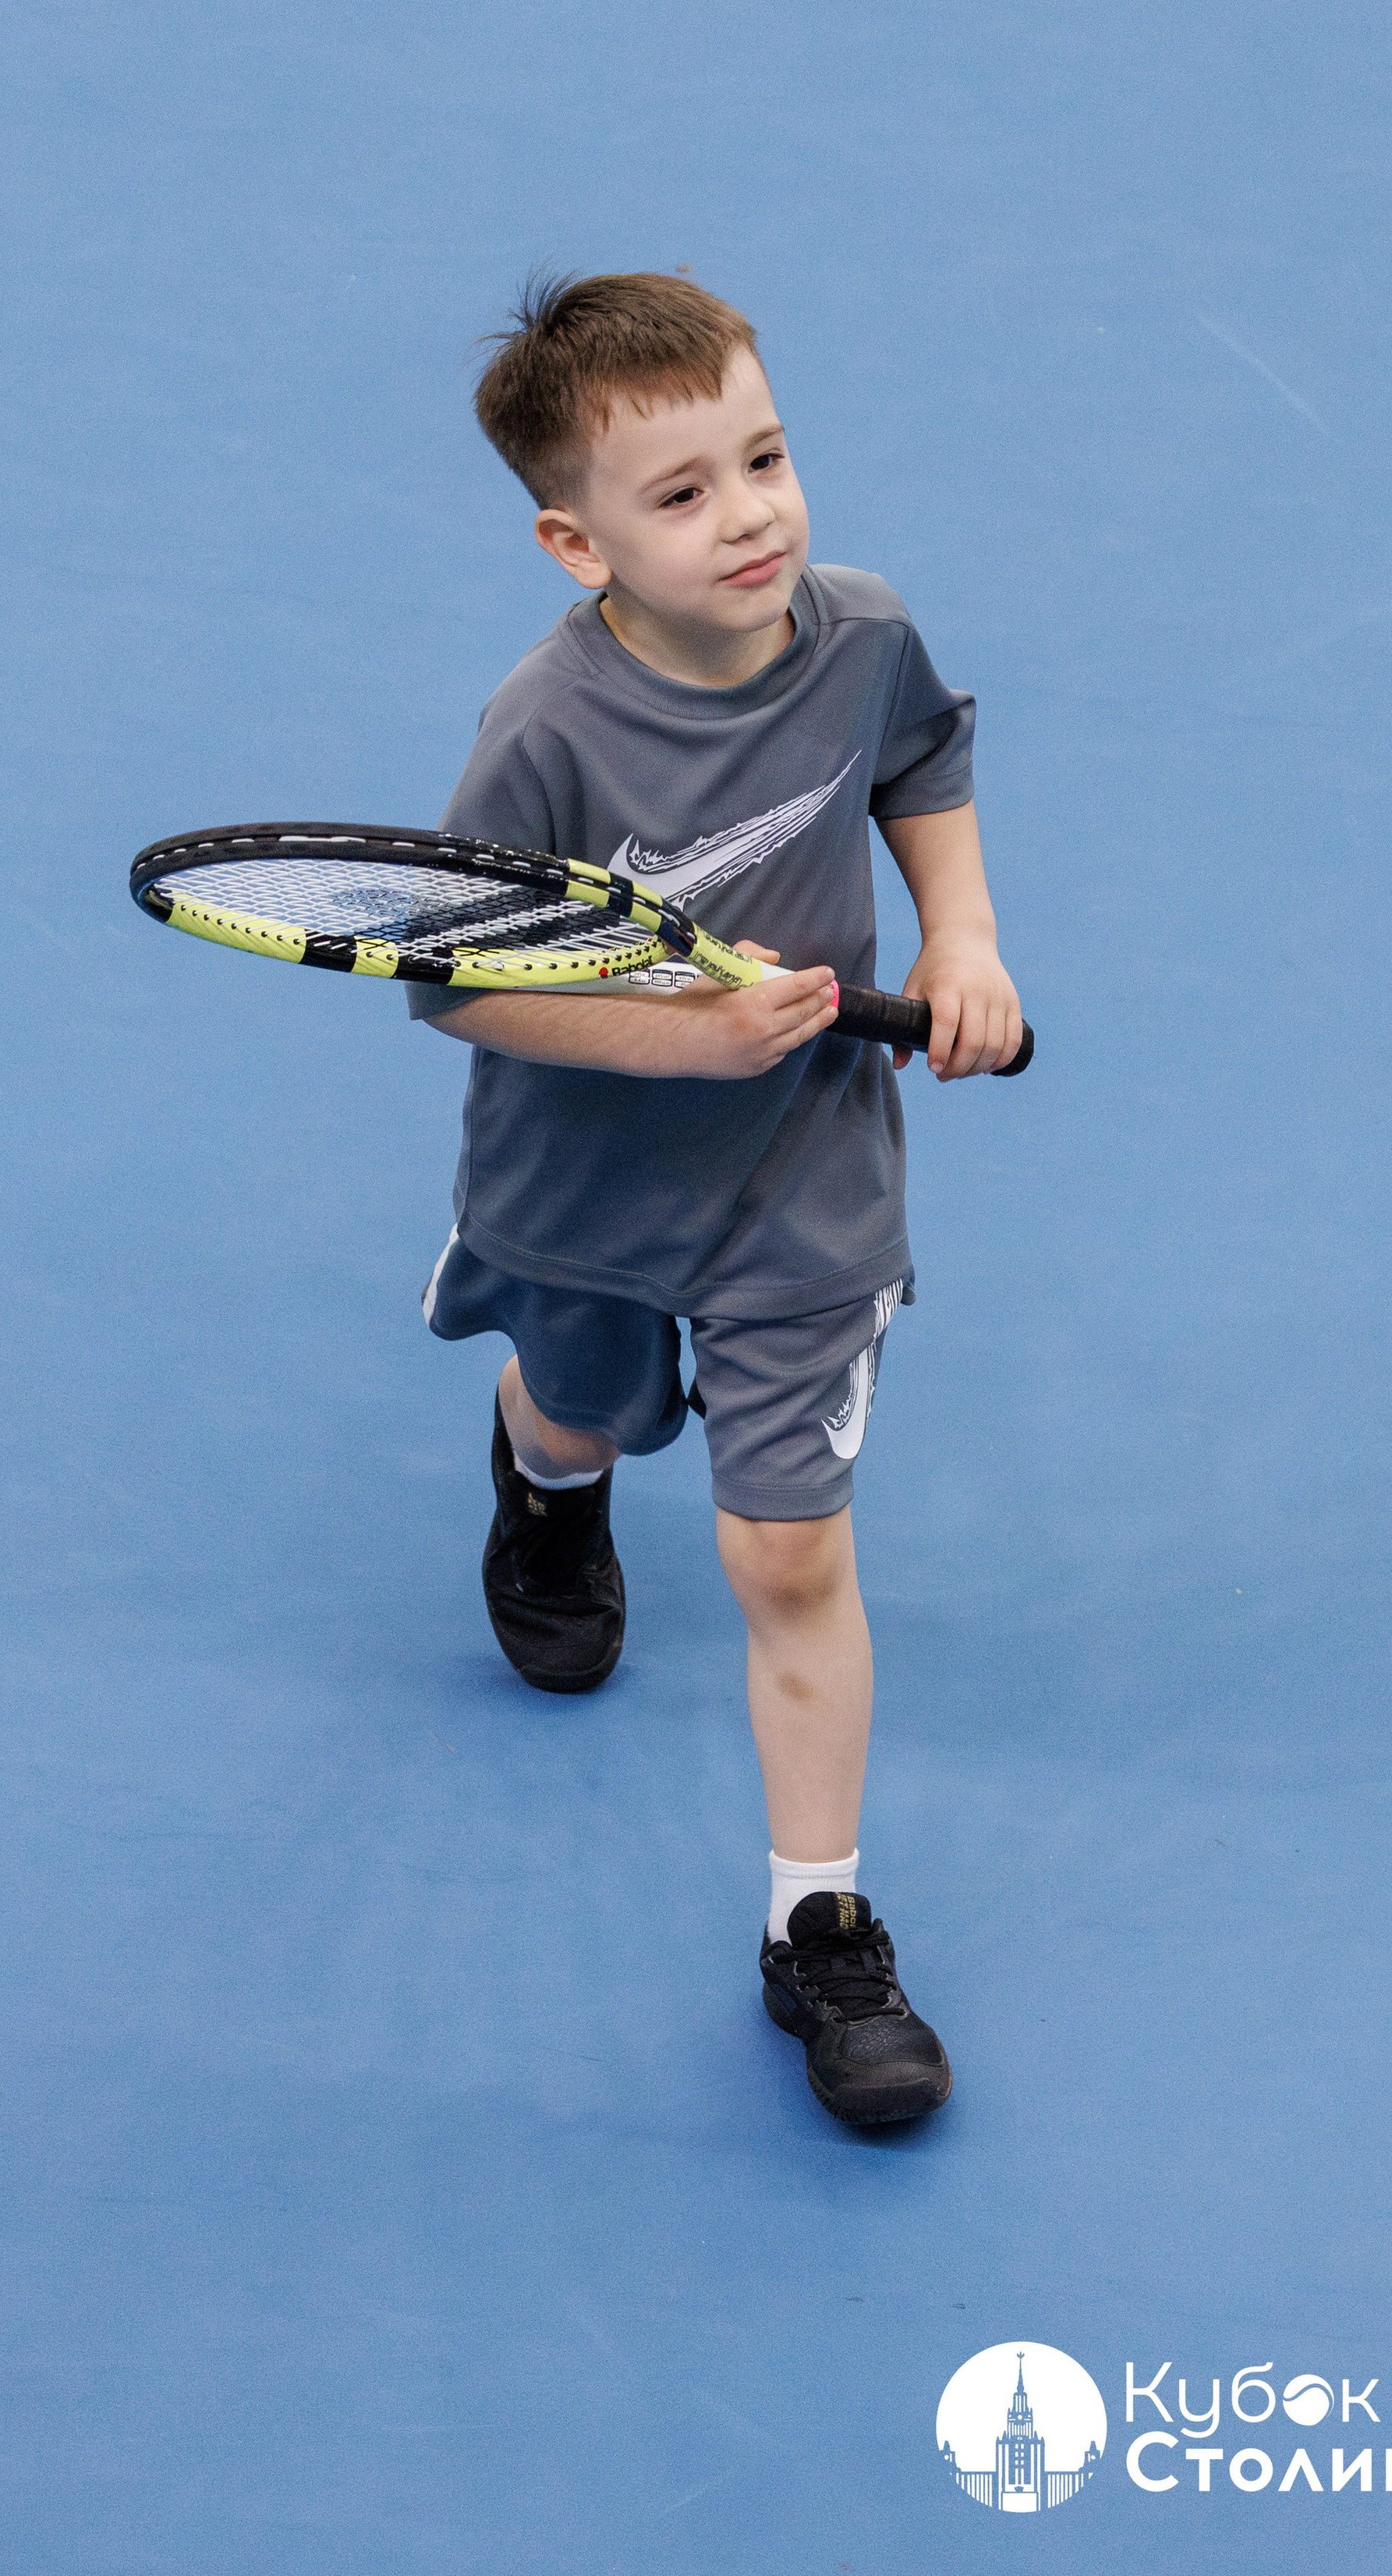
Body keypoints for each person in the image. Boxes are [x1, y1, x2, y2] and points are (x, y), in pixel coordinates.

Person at [411, 271, 1022, 2125]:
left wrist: (963, 930)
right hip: (581, 1180)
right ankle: (547, 1484)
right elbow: (453, 978)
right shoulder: (544, 728)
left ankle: (816, 1921)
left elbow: (922, 752)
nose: (748, 512)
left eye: (761, 456)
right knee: (582, 1396)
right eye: (679, 494)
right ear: (571, 539)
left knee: (785, 1549)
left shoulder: (859, 636)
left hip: (803, 1182)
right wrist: (681, 1037)